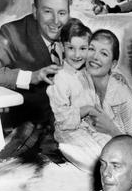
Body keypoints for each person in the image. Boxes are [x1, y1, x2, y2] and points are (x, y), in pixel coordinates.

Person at [0, 0, 67, 126]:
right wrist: (30, 77)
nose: (56, 21)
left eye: (62, 13)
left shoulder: (74, 30)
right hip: (31, 126)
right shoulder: (12, 33)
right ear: (35, 11)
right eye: (48, 12)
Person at [46, 19, 109, 169]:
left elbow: (96, 100)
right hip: (68, 131)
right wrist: (86, 109)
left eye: (83, 48)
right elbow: (63, 118)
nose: (77, 54)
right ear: (62, 47)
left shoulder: (86, 72)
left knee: (113, 148)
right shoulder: (61, 78)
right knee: (95, 160)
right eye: (71, 48)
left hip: (89, 127)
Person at [86, 30, 132, 143]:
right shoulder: (81, 82)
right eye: (91, 49)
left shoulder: (121, 93)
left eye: (104, 54)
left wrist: (111, 129)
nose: (95, 57)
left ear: (113, 64)